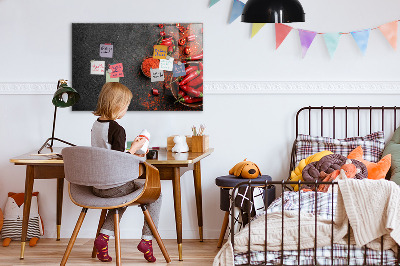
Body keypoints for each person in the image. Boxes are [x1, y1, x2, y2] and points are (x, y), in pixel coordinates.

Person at [91, 82, 161, 263]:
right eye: (126, 106)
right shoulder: (117, 129)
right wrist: (136, 148)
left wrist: (130, 149)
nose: (126, 110)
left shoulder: (96, 125)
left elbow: (108, 154)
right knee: (156, 194)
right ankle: (147, 240)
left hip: (97, 186)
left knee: (121, 197)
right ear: (117, 105)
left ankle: (103, 238)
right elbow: (119, 161)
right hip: (114, 186)